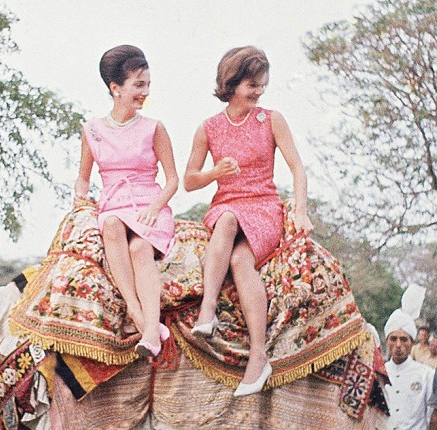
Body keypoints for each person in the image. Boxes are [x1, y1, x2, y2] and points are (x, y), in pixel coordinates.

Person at [183, 46, 313, 396]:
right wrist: (215, 172)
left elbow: (297, 166)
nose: (258, 92)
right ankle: (208, 309)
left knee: (241, 258)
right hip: (226, 203)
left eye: (262, 86)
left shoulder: (271, 119)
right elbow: (189, 180)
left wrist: (299, 210)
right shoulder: (208, 128)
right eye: (252, 85)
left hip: (263, 206)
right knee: (226, 220)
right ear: (232, 82)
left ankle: (258, 355)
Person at [75, 44, 179, 358]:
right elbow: (83, 177)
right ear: (115, 88)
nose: (145, 92)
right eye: (138, 85)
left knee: (139, 247)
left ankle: (150, 331)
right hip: (113, 205)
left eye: (147, 84)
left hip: (149, 203)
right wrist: (80, 196)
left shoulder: (154, 128)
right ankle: (137, 312)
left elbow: (172, 179)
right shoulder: (91, 130)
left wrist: (154, 207)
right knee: (110, 223)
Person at [381, 283, 433, 430]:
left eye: (404, 339)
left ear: (412, 343)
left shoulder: (426, 375)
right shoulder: (379, 374)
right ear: (387, 341)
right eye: (393, 339)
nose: (399, 344)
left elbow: (431, 418)